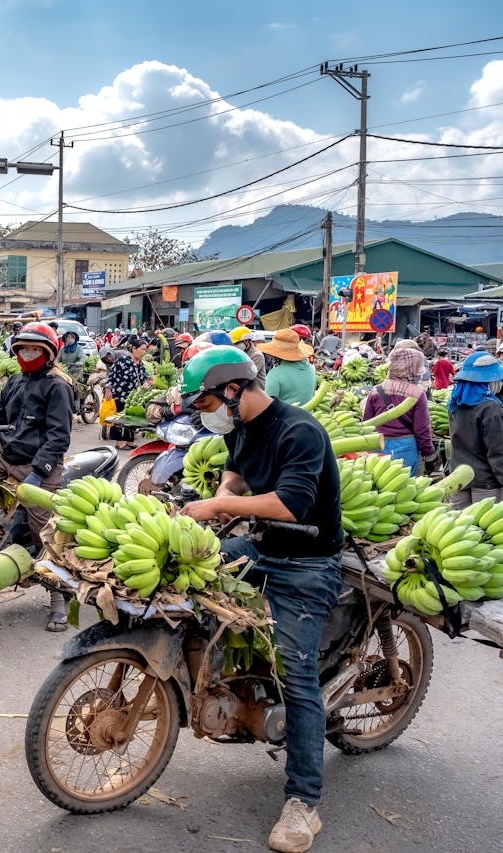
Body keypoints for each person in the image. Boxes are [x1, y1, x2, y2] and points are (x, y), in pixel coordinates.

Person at [178, 347, 342, 853]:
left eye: (204, 402)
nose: (204, 413)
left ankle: (303, 804)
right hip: (261, 547)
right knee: (188, 579)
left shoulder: (301, 431)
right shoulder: (242, 427)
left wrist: (223, 503)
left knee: (298, 677)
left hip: (307, 564)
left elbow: (291, 503)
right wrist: (221, 494)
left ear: (233, 390)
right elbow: (236, 470)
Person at [0, 323, 74, 632]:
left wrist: (38, 474)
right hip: (6, 459)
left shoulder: (57, 386)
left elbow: (58, 437)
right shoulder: (14, 382)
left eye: (35, 349)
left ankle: (59, 596)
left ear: (49, 353)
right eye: (23, 348)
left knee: (45, 530)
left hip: (38, 466)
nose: (28, 354)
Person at [447, 352, 503, 509]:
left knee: (458, 529)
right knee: (482, 531)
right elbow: (499, 453)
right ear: (488, 382)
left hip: (458, 478)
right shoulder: (490, 408)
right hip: (485, 483)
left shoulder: (455, 404)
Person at [363, 347, 435, 475]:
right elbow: (422, 430)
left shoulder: (376, 390)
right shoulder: (417, 394)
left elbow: (367, 423)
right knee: (402, 489)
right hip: (405, 448)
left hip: (377, 445)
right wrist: (428, 455)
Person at [259, 329, 317, 407]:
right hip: (308, 416)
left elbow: (268, 406)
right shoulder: (311, 368)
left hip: (284, 418)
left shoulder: (275, 374)